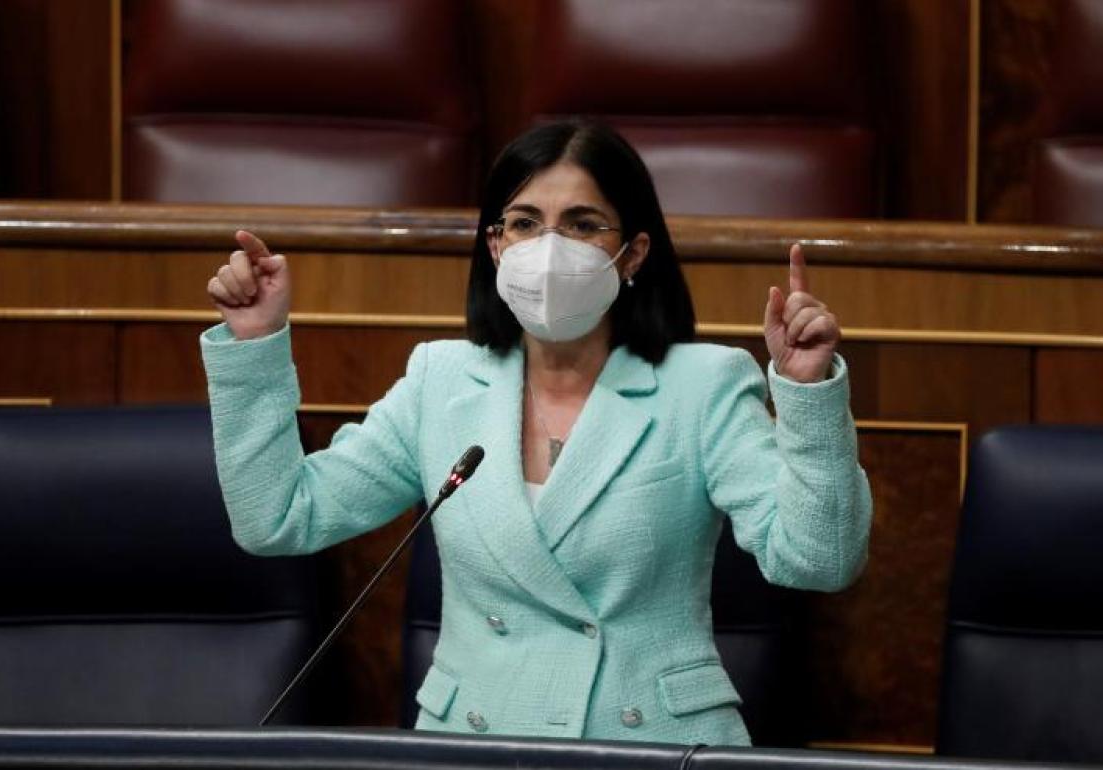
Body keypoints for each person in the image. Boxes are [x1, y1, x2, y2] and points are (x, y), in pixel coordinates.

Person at [201, 121, 871, 746]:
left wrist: (807, 391)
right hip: (477, 746)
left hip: (649, 748)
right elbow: (278, 518)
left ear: (633, 253)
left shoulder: (703, 386)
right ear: (496, 246)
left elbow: (819, 558)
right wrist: (255, 345)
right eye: (525, 223)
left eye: (582, 224)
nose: (550, 248)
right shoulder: (441, 381)